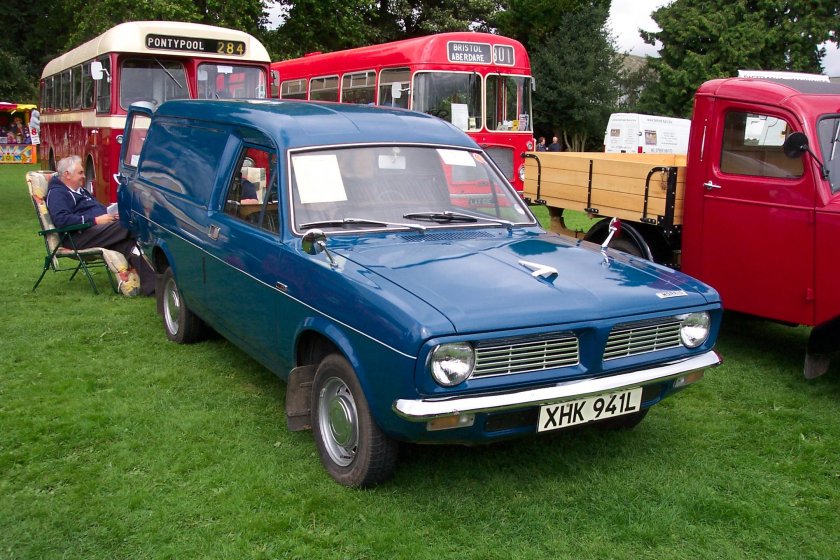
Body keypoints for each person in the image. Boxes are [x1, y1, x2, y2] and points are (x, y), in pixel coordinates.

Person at [46, 155, 155, 296]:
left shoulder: (80, 191)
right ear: (67, 174)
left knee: (129, 245)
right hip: (76, 236)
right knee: (128, 224)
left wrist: (111, 214)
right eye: (80, 173)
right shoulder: (57, 193)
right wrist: (95, 220)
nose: (84, 176)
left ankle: (153, 288)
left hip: (96, 231)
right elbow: (62, 220)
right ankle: (155, 241)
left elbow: (96, 210)